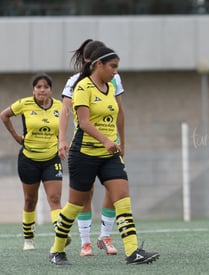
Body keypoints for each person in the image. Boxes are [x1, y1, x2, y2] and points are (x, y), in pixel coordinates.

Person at [49, 47, 160, 265]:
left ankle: (132, 251)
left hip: (109, 155)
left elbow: (117, 117)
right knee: (74, 204)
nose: (115, 72)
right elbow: (84, 123)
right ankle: (56, 250)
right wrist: (107, 141)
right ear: (98, 65)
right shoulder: (82, 87)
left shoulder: (110, 87)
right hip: (84, 154)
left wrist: (120, 143)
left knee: (123, 198)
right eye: (113, 66)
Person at [59, 39, 125, 257]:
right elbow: (66, 112)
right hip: (86, 146)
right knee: (83, 195)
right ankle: (84, 242)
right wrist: (62, 139)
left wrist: (121, 140)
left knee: (116, 189)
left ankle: (105, 236)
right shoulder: (76, 82)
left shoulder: (113, 78)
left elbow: (120, 111)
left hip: (109, 146)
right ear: (89, 60)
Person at [0, 74, 65, 250]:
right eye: (38, 87)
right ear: (33, 90)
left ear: (51, 90)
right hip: (29, 159)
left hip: (51, 158)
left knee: (55, 197)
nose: (42, 90)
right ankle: (28, 239)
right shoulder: (24, 104)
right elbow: (4, 115)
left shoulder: (60, 106)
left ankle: (61, 235)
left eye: (45, 87)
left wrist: (63, 143)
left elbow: (68, 125)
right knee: (30, 199)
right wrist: (15, 137)